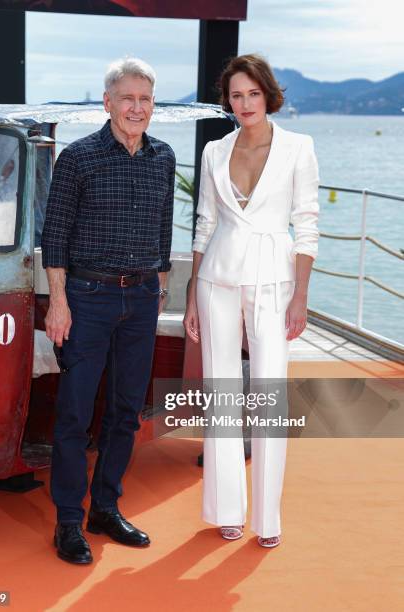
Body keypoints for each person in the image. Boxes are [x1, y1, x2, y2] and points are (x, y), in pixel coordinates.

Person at [41, 57, 175, 565]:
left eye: (145, 99)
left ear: (152, 105)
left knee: (125, 413)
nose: (136, 107)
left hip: (140, 300)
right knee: (75, 413)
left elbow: (164, 230)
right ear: (107, 102)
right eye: (127, 98)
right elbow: (55, 237)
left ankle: (105, 507)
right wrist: (58, 303)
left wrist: (158, 290)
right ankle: (69, 522)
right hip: (87, 300)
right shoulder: (78, 158)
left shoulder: (163, 157)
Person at [184, 54, 319, 548]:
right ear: (229, 100)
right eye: (236, 95)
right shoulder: (214, 152)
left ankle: (268, 519)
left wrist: (301, 295)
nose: (244, 103)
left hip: (274, 281)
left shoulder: (298, 147)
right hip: (216, 278)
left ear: (268, 95)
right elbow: (204, 223)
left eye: (253, 94)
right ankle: (226, 510)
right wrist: (192, 294)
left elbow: (306, 225)